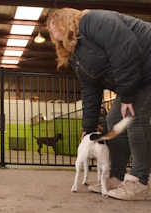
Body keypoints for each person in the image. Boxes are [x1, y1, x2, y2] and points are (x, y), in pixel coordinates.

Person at [47, 8, 151, 200]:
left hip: (146, 65)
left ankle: (140, 181)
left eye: (54, 24)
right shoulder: (76, 55)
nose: (51, 30)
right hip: (137, 75)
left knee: (134, 116)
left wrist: (127, 95)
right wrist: (88, 128)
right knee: (113, 118)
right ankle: (116, 176)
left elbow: (125, 47)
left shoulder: (92, 20)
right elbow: (90, 91)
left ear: (66, 20)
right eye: (49, 29)